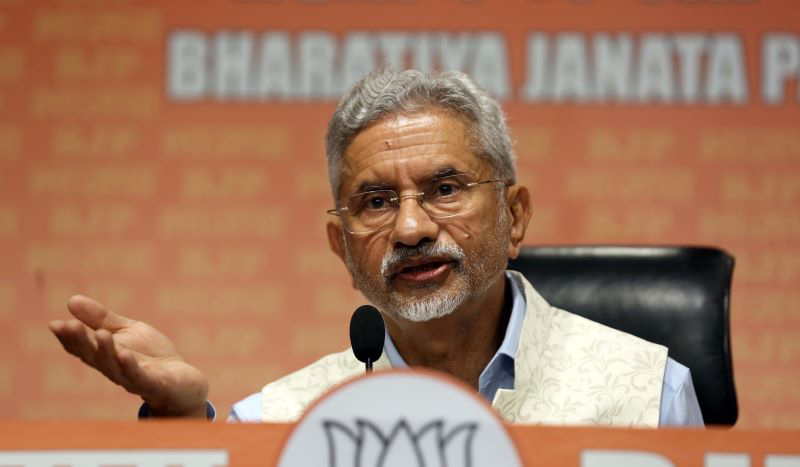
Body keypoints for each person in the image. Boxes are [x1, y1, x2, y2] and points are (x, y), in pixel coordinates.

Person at [49, 69, 704, 427]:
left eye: (444, 188)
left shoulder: (653, 397)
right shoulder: (282, 423)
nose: (411, 228)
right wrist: (182, 422)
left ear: (514, 216)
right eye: (376, 202)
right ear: (342, 246)